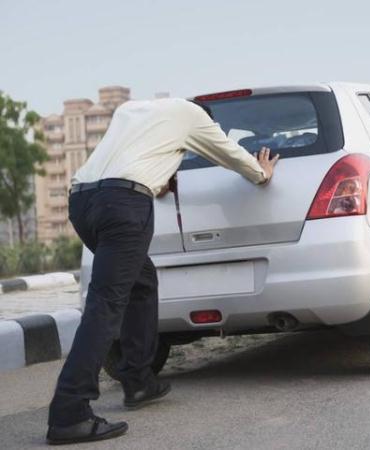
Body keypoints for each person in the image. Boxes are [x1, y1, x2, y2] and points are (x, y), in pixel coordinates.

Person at [46, 97, 279, 445]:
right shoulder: (195, 117)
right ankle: (69, 413)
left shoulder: (132, 111)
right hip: (124, 206)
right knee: (106, 305)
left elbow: (134, 156)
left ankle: (138, 380)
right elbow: (232, 155)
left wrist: (160, 177)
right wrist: (262, 172)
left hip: (83, 202)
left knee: (141, 281)